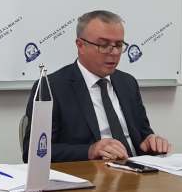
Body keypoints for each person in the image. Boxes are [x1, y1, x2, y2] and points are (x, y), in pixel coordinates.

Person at [22, 10, 170, 162]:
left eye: (119, 45)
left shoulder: (128, 83)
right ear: (80, 45)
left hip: (135, 170)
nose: (114, 52)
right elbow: (33, 152)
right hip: (91, 172)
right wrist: (89, 151)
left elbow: (144, 136)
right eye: (104, 45)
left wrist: (151, 142)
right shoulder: (52, 87)